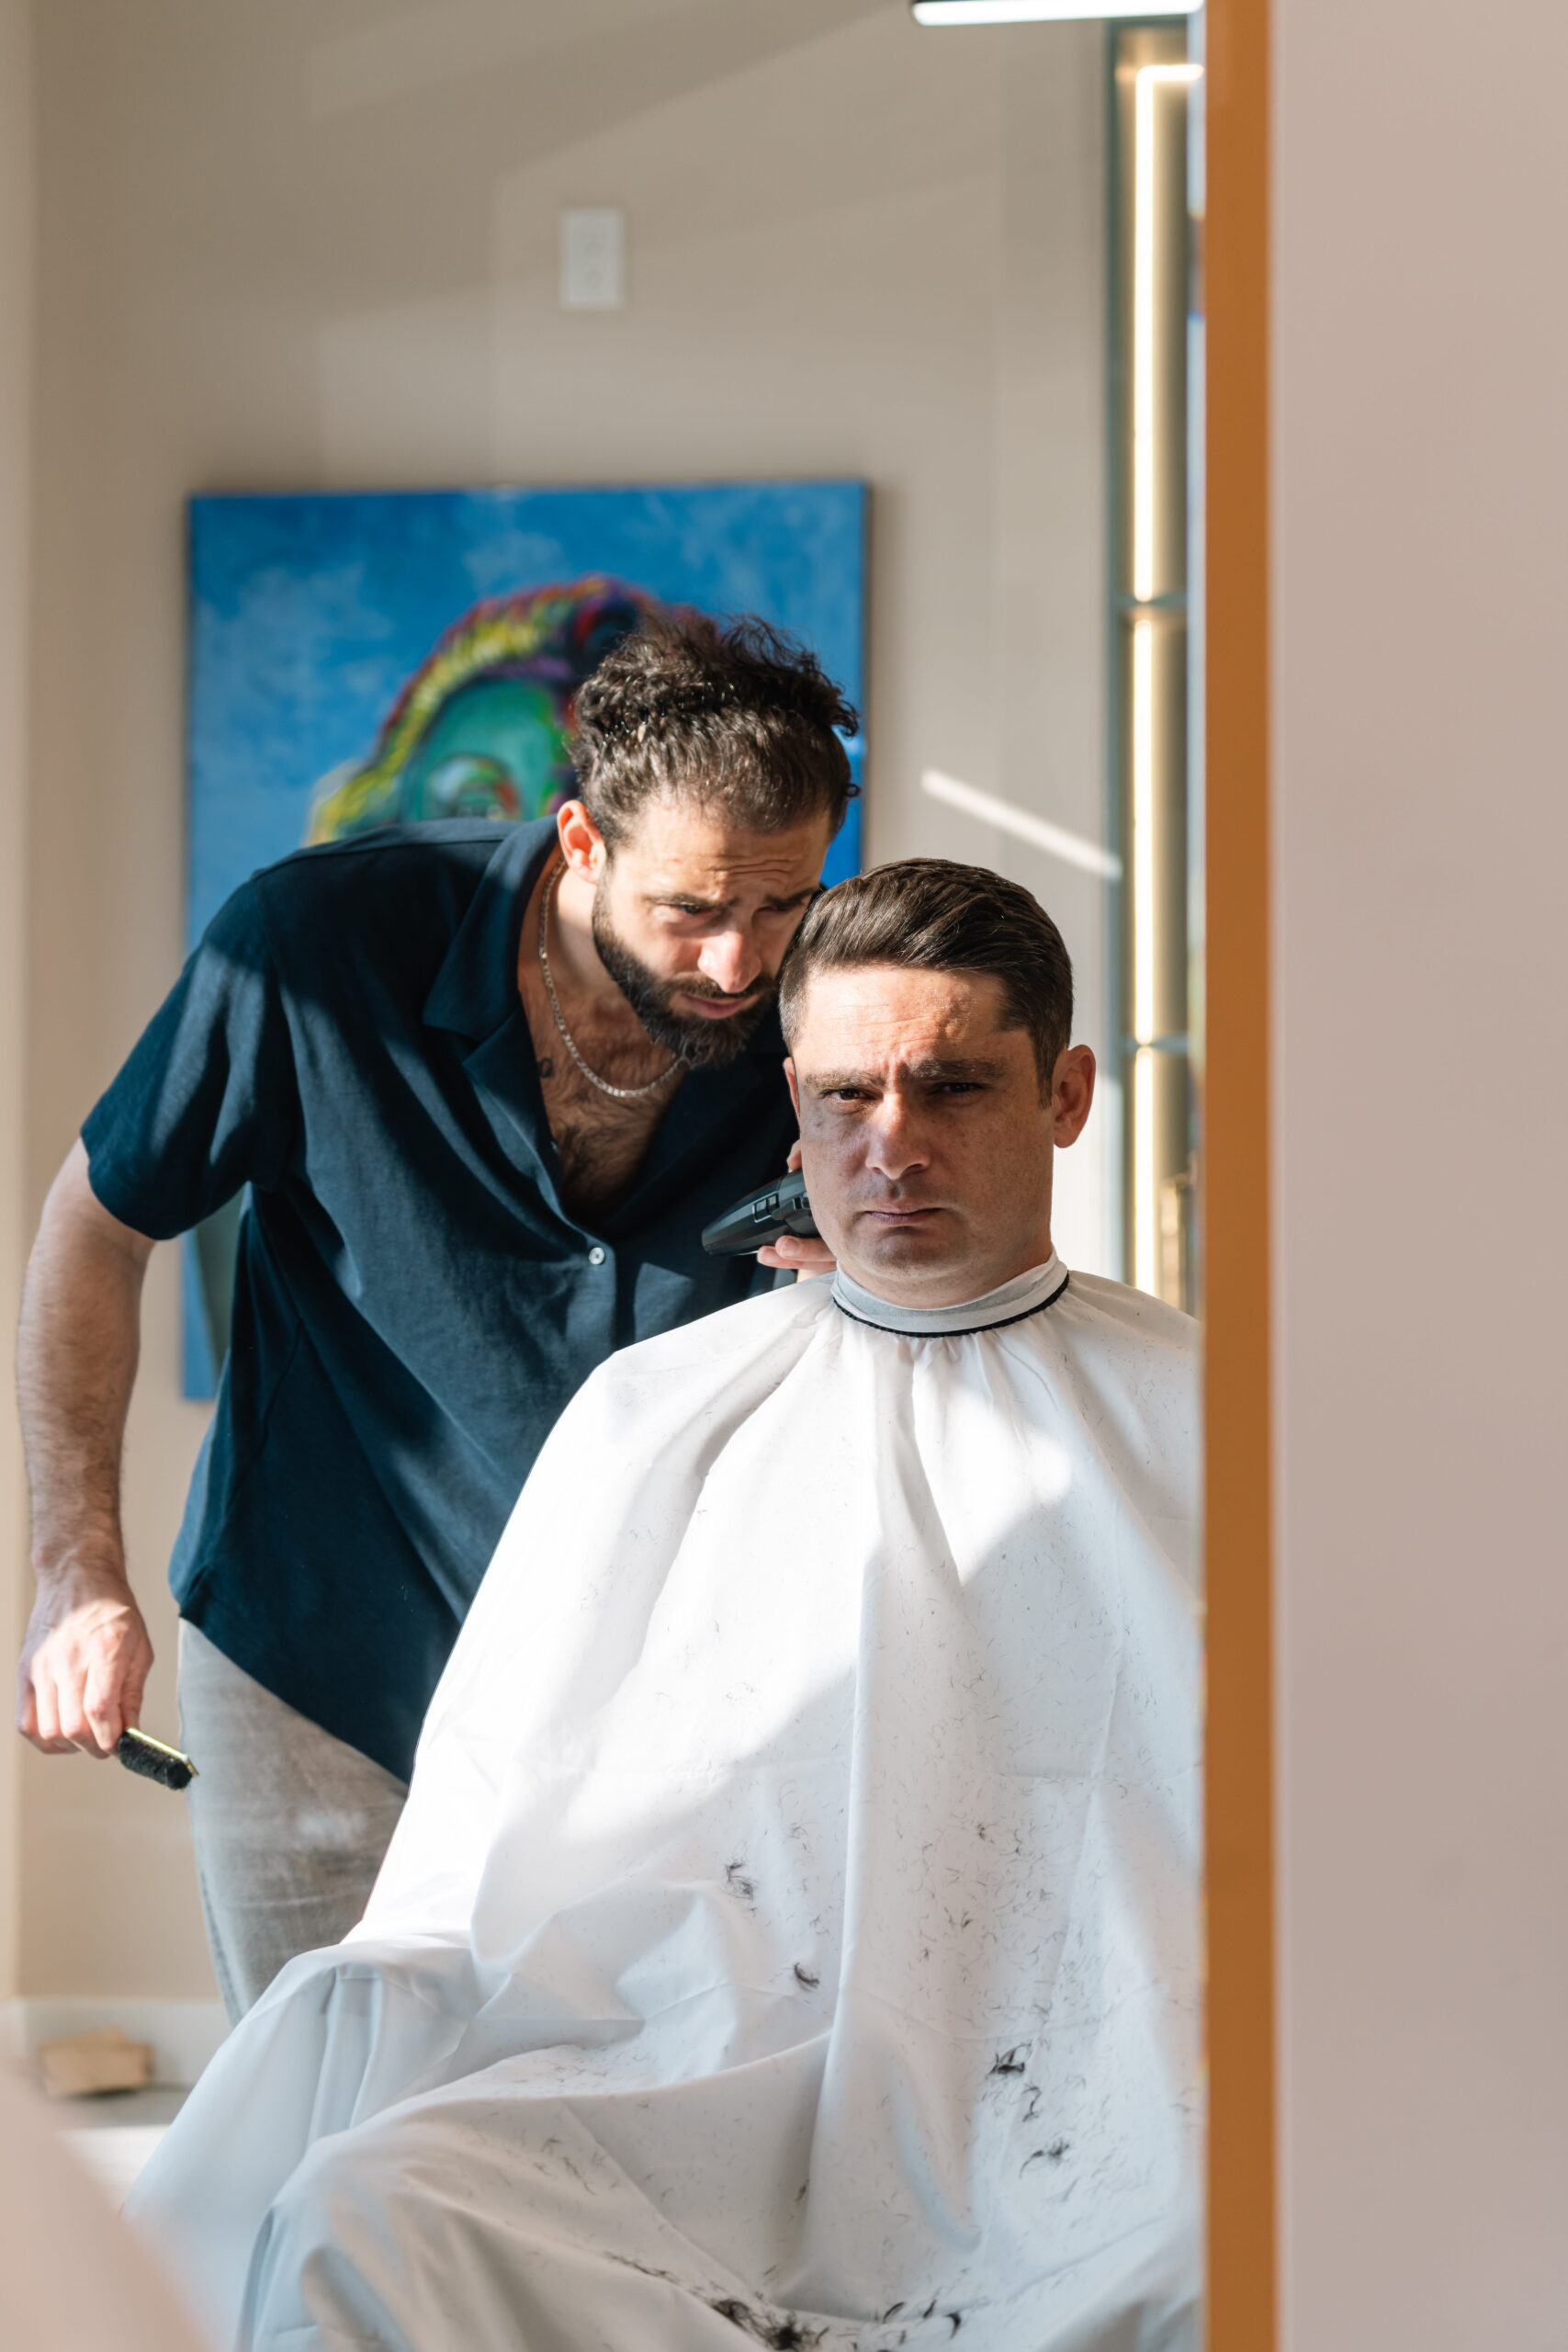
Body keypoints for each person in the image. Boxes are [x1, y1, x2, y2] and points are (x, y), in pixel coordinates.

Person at [129, 858, 1201, 2352]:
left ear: (1066, 1095)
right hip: (700, 2074)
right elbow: (494, 1833)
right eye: (847, 1095)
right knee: (369, 2208)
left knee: (1217, 2256)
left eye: (952, 1088)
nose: (891, 1146)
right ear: (792, 1101)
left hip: (1096, 2086)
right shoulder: (660, 1415)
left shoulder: (1220, 1424)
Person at [14, 612, 845, 2019]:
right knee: (324, 2097)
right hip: (321, 1647)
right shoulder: (312, 945)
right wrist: (76, 1571)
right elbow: (95, 1226)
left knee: (600, 2111)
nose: (736, 965)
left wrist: (870, 1269)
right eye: (693, 911)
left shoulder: (826, 1001)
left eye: (781, 907)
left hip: (644, 1682)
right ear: (581, 842)